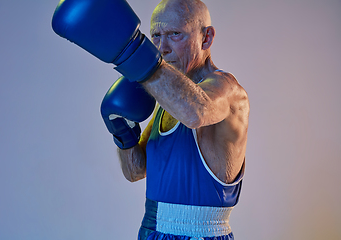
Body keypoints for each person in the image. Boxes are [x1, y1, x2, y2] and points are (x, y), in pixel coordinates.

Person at [52, 0, 249, 239]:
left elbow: (196, 112)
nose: (162, 47)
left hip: (201, 233)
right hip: (151, 230)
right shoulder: (167, 99)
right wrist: (123, 133)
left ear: (206, 38)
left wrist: (134, 53)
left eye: (175, 34)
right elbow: (135, 171)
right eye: (155, 36)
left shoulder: (227, 90)